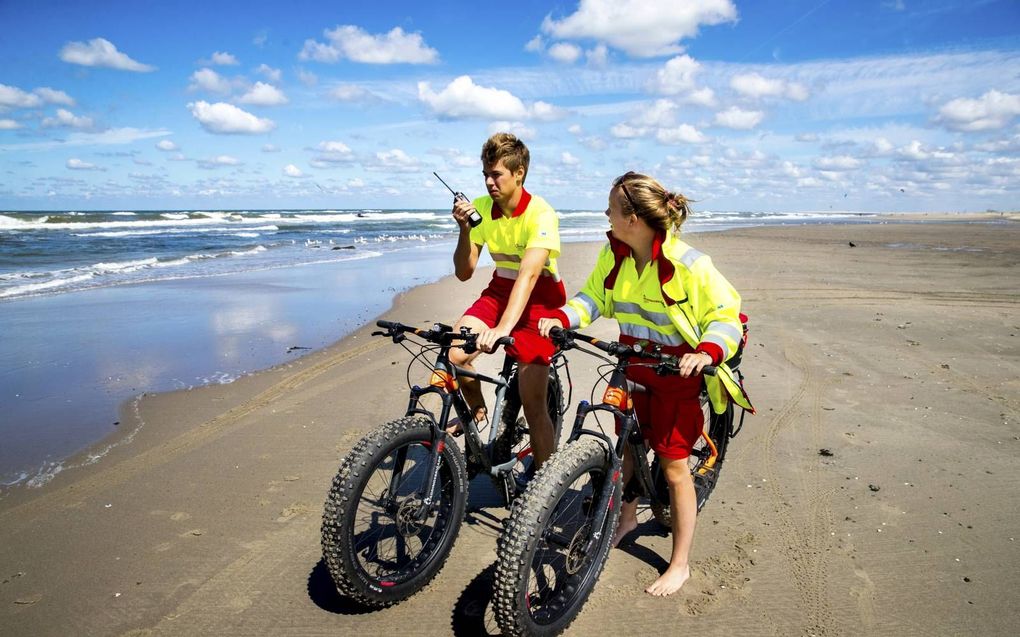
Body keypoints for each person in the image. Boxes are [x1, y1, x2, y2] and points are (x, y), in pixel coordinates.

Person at [538, 172, 753, 596]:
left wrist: (706, 351)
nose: (605, 215)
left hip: (677, 374)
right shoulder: (614, 255)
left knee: (674, 468)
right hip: (632, 365)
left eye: (611, 209)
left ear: (633, 218)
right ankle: (628, 518)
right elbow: (594, 298)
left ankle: (680, 563)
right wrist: (563, 318)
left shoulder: (689, 264)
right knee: (628, 451)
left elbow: (726, 316)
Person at [446, 132, 565, 470]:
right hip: (500, 291)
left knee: (533, 402)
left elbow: (528, 275)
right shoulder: (483, 210)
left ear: (519, 173)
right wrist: (464, 230)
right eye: (485, 173)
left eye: (496, 174)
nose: (488, 182)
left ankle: (545, 487)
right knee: (456, 353)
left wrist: (502, 329)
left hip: (541, 299)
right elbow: (464, 272)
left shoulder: (541, 214)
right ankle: (479, 410)